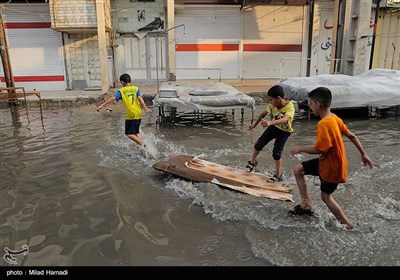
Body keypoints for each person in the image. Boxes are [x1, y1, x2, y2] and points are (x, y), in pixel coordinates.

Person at [289, 87, 374, 230]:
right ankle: (306, 204)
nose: (310, 107)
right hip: (328, 162)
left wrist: (301, 148)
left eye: (310, 103)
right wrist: (363, 154)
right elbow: (352, 136)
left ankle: (347, 225)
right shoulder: (335, 118)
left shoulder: (324, 124)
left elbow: (320, 149)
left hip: (332, 168)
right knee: (298, 169)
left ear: (317, 104)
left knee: (326, 197)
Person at [246, 84, 295, 182]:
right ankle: (253, 162)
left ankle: (278, 175)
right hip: (273, 128)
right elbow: (263, 114)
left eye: (271, 100)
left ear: (278, 98)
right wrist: (254, 125)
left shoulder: (290, 107)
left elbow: (285, 119)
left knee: (276, 153)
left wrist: (269, 122)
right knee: (258, 144)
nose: (270, 102)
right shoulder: (273, 105)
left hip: (284, 132)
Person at [97, 73, 152, 148]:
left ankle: (143, 144)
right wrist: (146, 109)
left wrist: (102, 105)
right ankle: (139, 147)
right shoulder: (136, 88)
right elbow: (140, 99)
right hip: (139, 113)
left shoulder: (121, 91)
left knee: (129, 133)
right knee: (136, 132)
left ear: (122, 82)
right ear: (130, 80)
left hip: (131, 115)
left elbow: (112, 98)